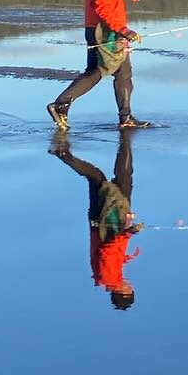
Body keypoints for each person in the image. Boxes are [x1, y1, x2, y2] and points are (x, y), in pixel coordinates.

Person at [46, 0, 152, 130]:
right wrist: (123, 30)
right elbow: (103, 7)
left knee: (110, 72)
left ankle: (62, 105)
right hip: (105, 32)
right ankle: (62, 105)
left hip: (98, 29)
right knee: (115, 74)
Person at [51, 133, 143, 310]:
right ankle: (64, 154)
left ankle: (126, 138)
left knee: (120, 177)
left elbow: (107, 251)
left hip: (107, 219)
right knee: (96, 179)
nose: (130, 285)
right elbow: (112, 254)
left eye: (130, 290)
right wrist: (126, 257)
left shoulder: (110, 277)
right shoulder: (106, 278)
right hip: (99, 221)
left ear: (124, 292)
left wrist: (128, 233)